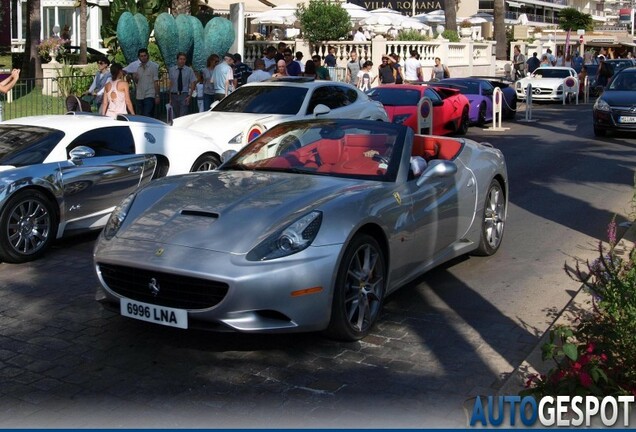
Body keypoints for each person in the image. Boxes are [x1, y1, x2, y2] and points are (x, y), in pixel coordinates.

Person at [131, 48, 160, 117]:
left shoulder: (153, 66)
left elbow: (156, 82)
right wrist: (135, 77)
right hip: (139, 95)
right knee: (140, 116)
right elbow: (137, 82)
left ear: (148, 56)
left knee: (147, 115)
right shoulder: (137, 67)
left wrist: (157, 95)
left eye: (145, 55)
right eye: (141, 56)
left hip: (150, 94)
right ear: (139, 57)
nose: (143, 57)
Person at [168, 52, 197, 118]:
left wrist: (189, 96)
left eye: (184, 59)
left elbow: (193, 82)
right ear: (177, 60)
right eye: (180, 59)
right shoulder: (172, 70)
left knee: (183, 115)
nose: (182, 61)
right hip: (174, 95)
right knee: (174, 115)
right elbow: (170, 84)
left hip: (184, 95)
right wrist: (170, 98)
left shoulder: (189, 70)